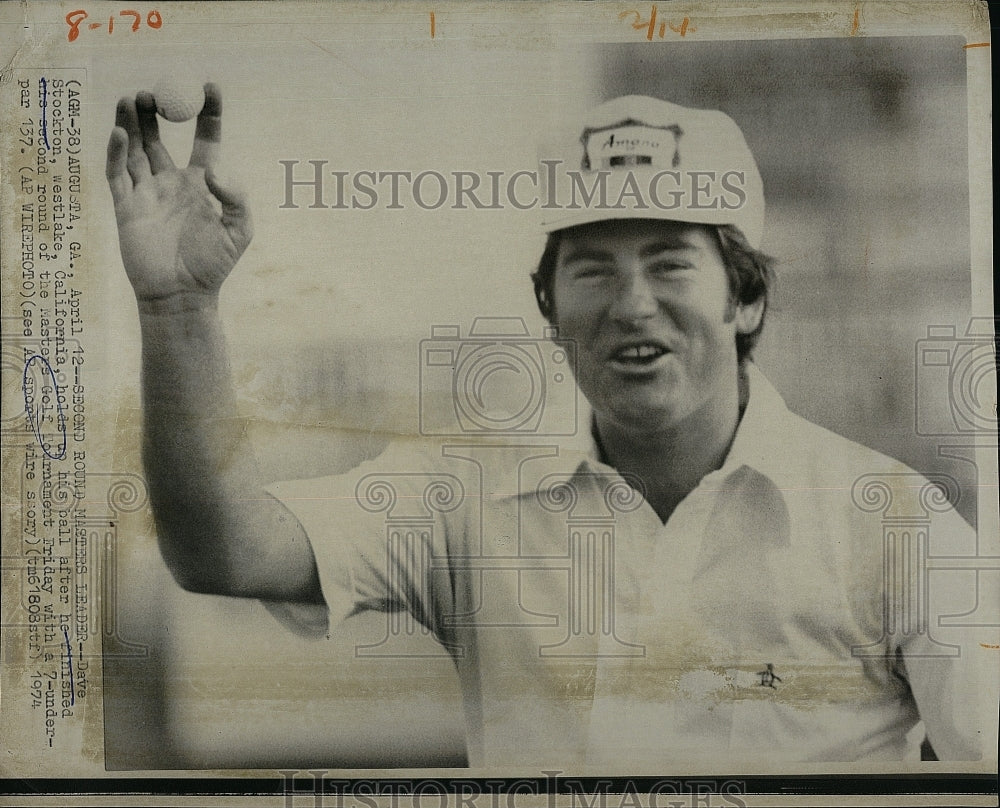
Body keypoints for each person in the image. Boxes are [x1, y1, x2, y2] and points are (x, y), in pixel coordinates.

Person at [106, 87, 997, 767]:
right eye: (593, 270)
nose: (633, 305)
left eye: (671, 262)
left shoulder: (893, 522)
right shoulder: (465, 499)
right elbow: (222, 551)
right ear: (548, 306)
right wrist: (178, 310)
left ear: (747, 296)